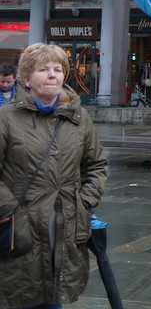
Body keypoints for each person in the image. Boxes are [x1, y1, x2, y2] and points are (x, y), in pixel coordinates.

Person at [0, 43, 107, 308]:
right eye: (43, 69)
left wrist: (84, 201)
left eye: (58, 69)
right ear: (27, 79)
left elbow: (96, 165)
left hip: (66, 227)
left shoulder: (79, 118)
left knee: (54, 297)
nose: (52, 75)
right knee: (20, 296)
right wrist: (11, 211)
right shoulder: (6, 118)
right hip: (21, 230)